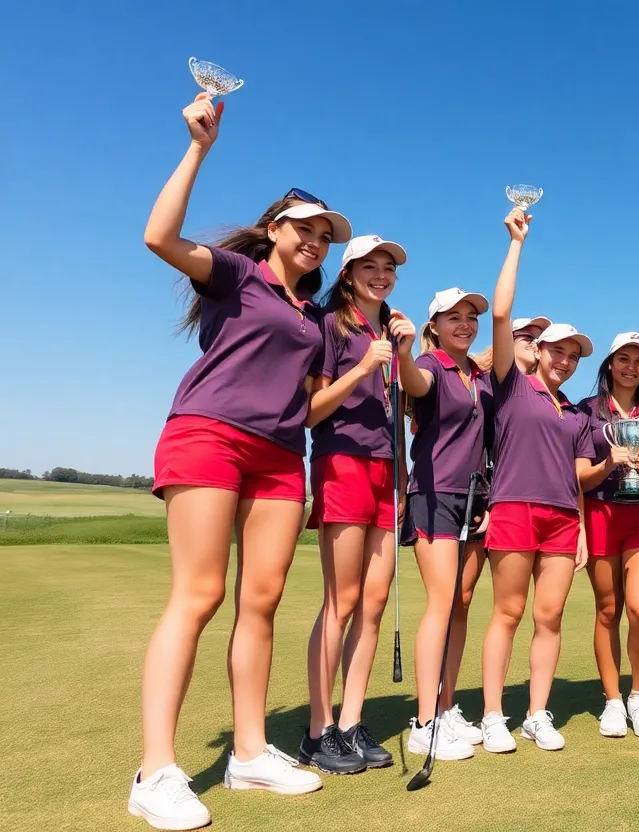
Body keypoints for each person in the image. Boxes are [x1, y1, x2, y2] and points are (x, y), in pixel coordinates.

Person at [132, 93, 352, 830]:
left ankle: (249, 753)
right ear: (274, 229)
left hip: (282, 458)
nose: (317, 240)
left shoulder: (315, 321)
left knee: (261, 602)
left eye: (326, 234)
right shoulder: (235, 274)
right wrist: (199, 147)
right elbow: (159, 236)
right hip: (209, 435)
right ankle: (156, 770)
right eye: (306, 227)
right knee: (199, 596)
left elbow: (310, 405)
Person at [479, 207, 594, 753]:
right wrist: (516, 244)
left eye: (574, 356)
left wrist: (584, 531)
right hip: (513, 507)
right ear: (539, 348)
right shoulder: (510, 385)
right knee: (509, 611)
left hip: (562, 518)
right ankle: (493, 715)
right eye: (558, 351)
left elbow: (574, 476)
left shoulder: (575, 412)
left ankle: (537, 713)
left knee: (550, 616)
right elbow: (501, 316)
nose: (566, 361)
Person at [298, 235, 409, 775]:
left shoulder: (393, 329)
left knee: (375, 601)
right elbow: (311, 411)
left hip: (387, 473)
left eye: (389, 267)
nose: (381, 274)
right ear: (348, 274)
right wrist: (365, 366)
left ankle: (350, 721)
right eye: (370, 266)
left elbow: (398, 415)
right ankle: (318, 730)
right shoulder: (329, 324)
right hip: (342, 462)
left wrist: (405, 480)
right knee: (341, 600)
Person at [395, 285, 496, 761]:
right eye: (452, 317)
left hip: (476, 498)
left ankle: (447, 704)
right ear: (434, 325)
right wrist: (404, 349)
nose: (464, 323)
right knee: (440, 602)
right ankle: (424, 722)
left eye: (471, 316)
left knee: (461, 603)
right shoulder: (432, 365)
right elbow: (414, 383)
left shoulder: (480, 373)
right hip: (433, 495)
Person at [576, 332, 639, 739]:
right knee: (607, 609)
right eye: (623, 358)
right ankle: (613, 701)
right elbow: (580, 477)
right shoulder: (588, 411)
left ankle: (638, 696)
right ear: (610, 364)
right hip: (600, 512)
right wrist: (607, 462)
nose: (631, 366)